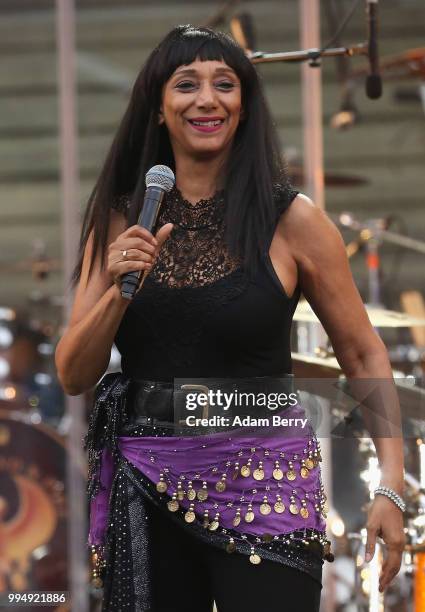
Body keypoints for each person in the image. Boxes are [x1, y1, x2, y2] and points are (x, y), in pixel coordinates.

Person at [55, 24, 406, 612]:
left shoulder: (293, 221)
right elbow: (72, 374)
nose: (207, 99)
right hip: (147, 481)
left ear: (243, 106)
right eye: (186, 84)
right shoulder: (120, 220)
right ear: (160, 108)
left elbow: (365, 354)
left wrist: (391, 487)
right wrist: (119, 290)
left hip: (267, 484)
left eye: (224, 84)